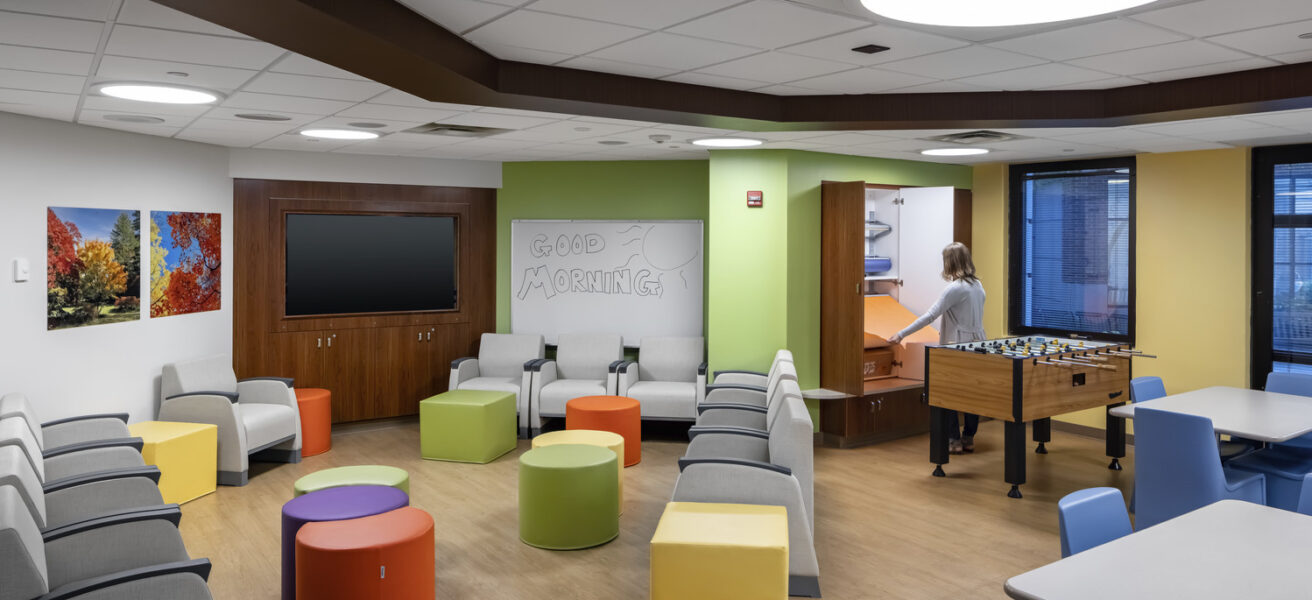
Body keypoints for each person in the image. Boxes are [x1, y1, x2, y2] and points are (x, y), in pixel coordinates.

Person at [889, 242, 986, 454]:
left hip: (956, 348)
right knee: (972, 395)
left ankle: (953, 439)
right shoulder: (977, 286)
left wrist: (901, 334)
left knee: (947, 393)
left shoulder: (955, 288)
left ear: (949, 262)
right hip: (978, 345)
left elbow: (930, 315)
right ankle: (968, 438)